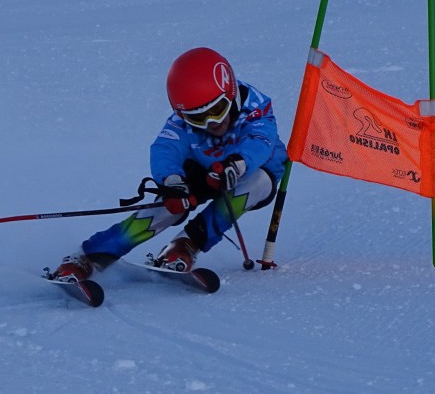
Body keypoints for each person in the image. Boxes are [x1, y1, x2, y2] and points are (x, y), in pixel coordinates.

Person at [50, 47, 288, 281]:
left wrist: (237, 165)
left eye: (217, 110)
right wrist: (172, 183)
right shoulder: (182, 121)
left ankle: (188, 243)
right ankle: (90, 256)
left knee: (257, 184)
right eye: (198, 118)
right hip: (205, 169)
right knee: (171, 205)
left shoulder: (257, 106)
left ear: (231, 93)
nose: (211, 123)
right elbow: (165, 148)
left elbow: (260, 140)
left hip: (251, 169)